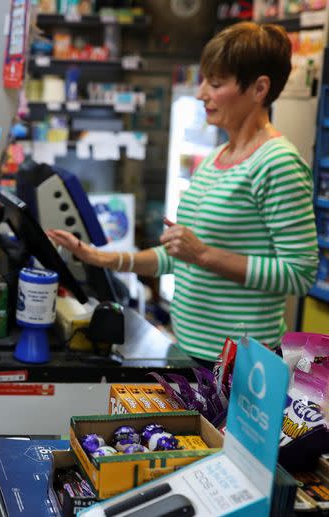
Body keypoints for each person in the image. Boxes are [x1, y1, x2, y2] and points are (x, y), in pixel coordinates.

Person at [48, 22, 318, 362]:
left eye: (216, 83)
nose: (201, 92)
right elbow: (179, 259)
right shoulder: (215, 159)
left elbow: (300, 273)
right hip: (191, 351)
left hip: (242, 364)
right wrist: (99, 258)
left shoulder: (277, 163)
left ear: (259, 88)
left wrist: (203, 254)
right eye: (204, 79)